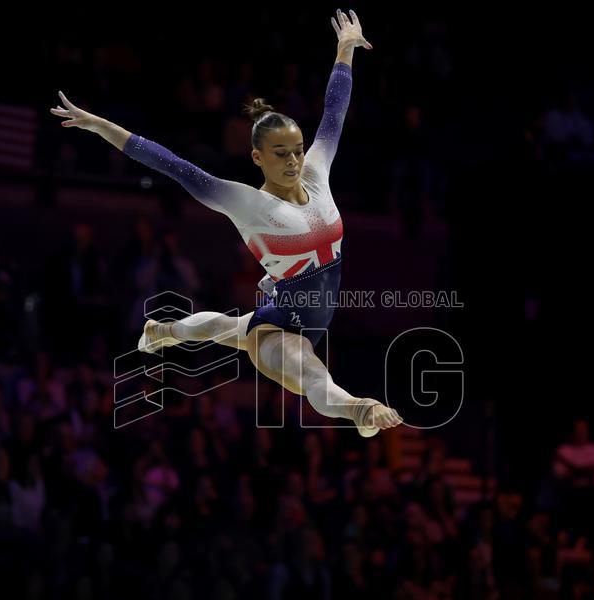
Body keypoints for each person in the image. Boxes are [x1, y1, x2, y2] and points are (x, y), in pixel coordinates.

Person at [51, 9, 401, 438]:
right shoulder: (247, 204)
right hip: (281, 332)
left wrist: (345, 48)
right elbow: (173, 166)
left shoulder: (317, 170)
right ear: (258, 158)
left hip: (285, 308)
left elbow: (334, 113)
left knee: (226, 328)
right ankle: (361, 409)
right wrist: (102, 126)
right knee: (312, 376)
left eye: (296, 149)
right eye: (279, 154)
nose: (293, 161)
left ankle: (162, 330)